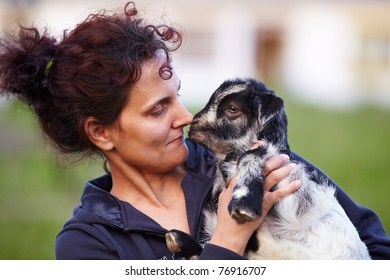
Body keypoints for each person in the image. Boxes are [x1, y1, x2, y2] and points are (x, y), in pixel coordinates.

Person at [0, 2, 389, 260]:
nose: (187, 117)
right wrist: (229, 241)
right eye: (158, 109)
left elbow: (375, 246)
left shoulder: (243, 162)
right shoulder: (89, 244)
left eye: (178, 97)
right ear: (101, 133)